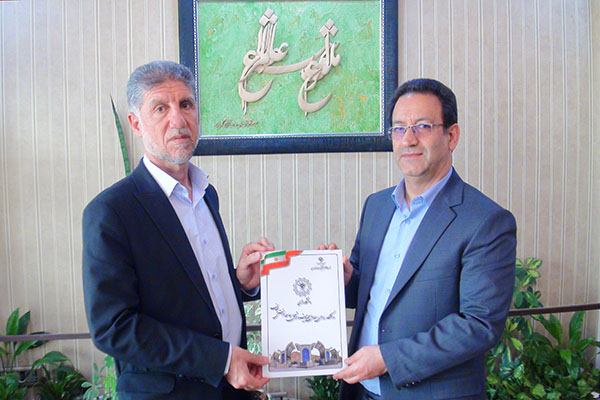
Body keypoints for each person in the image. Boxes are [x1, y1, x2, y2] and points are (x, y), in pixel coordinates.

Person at [82, 60, 273, 400]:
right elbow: (114, 327)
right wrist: (221, 360)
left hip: (233, 391)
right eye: (161, 108)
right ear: (135, 123)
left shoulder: (206, 194)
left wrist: (240, 282)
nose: (179, 120)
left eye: (186, 104)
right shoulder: (111, 212)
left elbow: (192, 291)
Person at [325, 78, 517, 399]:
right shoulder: (377, 206)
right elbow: (370, 292)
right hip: (362, 391)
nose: (409, 139)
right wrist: (345, 280)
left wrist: (388, 358)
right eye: (399, 128)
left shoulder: (486, 221)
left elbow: (479, 324)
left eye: (423, 127)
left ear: (451, 136)